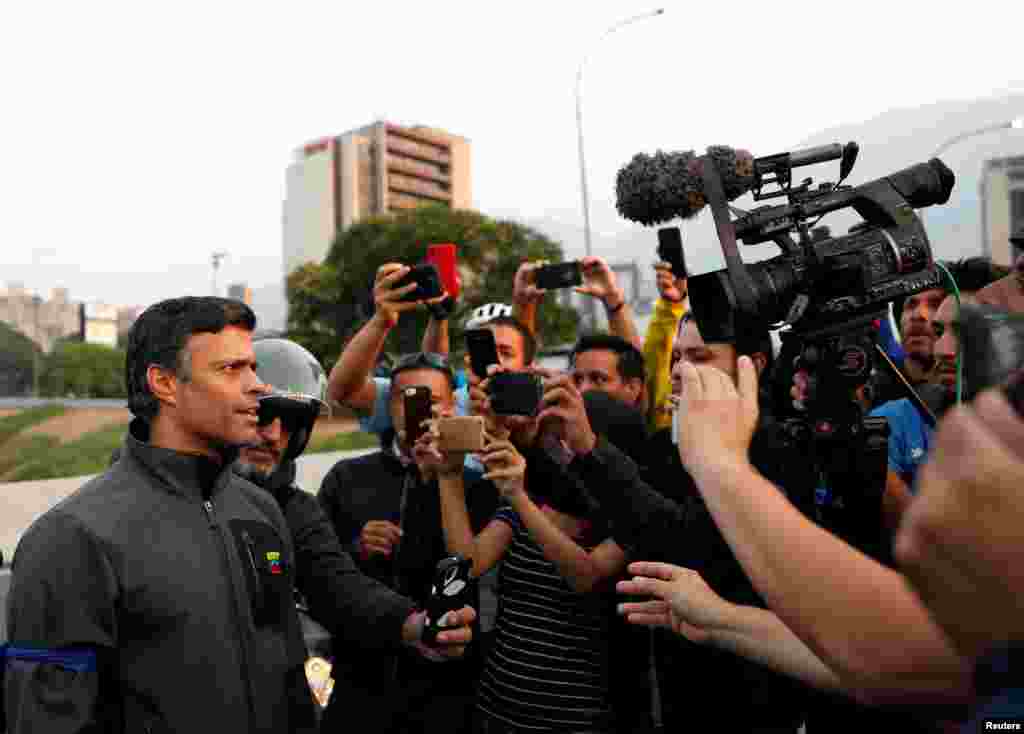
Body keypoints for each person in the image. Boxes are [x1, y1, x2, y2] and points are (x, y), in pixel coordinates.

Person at [3, 297, 319, 733]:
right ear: (164, 383)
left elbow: (291, 679)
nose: (258, 386)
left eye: (253, 368)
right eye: (231, 369)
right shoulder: (72, 538)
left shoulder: (261, 511)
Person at [233, 339, 476, 708]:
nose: (273, 435)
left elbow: (339, 584)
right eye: (263, 416)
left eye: (291, 423)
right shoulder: (346, 477)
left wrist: (417, 625)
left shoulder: (295, 509)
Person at [422, 376, 638, 734]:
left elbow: (585, 575)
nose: (555, 450)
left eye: (566, 441)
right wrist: (449, 475)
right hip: (497, 708)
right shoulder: (534, 505)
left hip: (574, 720)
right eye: (553, 439)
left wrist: (519, 498)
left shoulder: (628, 523)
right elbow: (468, 563)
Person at [318, 351, 498, 734]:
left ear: (451, 407)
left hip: (448, 682)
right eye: (409, 397)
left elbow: (477, 572)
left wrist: (443, 476)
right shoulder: (347, 477)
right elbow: (314, 567)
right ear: (389, 407)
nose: (422, 408)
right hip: (361, 678)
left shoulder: (478, 486)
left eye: (434, 399)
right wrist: (357, 547)